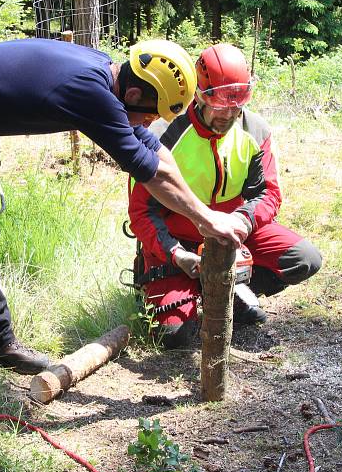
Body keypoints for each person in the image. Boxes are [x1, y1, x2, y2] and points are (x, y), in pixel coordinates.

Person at [0, 38, 249, 402]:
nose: (148, 124)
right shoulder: (91, 93)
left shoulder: (110, 75)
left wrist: (205, 213)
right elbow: (148, 172)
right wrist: (207, 221)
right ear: (133, 93)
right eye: (149, 114)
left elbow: (153, 150)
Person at [127, 43, 322, 349]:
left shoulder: (254, 131)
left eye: (237, 104)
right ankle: (193, 289)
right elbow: (141, 214)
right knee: (174, 336)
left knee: (304, 259)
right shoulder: (164, 135)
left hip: (232, 232)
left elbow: (267, 193)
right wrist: (176, 255)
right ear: (200, 94)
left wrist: (243, 222)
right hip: (178, 242)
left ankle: (229, 291)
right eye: (219, 103)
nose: (229, 114)